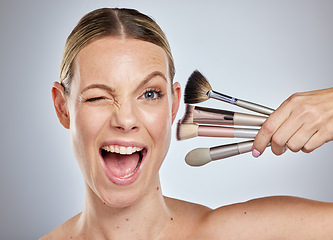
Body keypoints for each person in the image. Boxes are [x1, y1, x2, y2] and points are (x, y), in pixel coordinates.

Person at [42, 7, 333, 239]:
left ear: (173, 105)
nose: (126, 120)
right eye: (97, 98)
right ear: (62, 107)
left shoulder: (236, 233)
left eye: (149, 93)